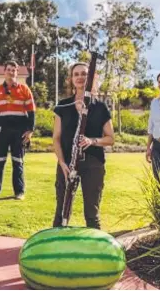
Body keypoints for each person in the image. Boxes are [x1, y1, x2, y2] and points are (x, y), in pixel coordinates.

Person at [52, 62, 114, 229]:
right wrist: (62, 163)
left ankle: (96, 252)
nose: (80, 77)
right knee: (61, 212)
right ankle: (55, 249)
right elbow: (56, 138)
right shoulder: (63, 106)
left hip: (93, 164)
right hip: (67, 164)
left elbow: (110, 138)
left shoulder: (100, 107)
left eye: (84, 74)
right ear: (71, 79)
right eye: (76, 74)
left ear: (91, 78)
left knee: (92, 214)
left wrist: (92, 141)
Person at [0, 60, 36, 200]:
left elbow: (31, 112)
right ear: (4, 72)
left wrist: (30, 130)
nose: (11, 72)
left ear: (17, 72)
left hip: (19, 131)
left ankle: (19, 192)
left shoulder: (25, 89)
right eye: (8, 69)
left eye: (13, 70)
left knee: (18, 162)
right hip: (1, 130)